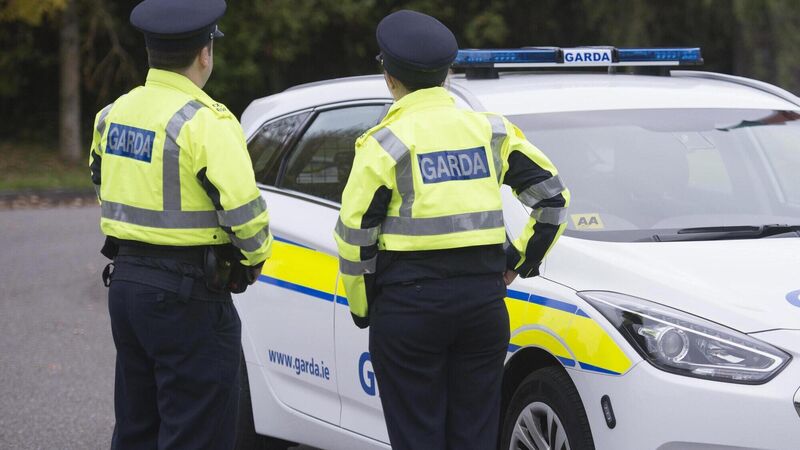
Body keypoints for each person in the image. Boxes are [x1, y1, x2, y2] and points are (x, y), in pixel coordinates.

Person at [334, 9, 570, 450]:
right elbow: (553, 200)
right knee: (475, 437)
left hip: (408, 311)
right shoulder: (491, 131)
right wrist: (520, 261)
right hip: (482, 307)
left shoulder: (384, 143)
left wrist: (364, 308)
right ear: (447, 75)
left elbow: (354, 235)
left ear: (389, 77)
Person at [87, 0, 272, 448]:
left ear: (150, 52)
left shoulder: (112, 114)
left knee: (136, 429)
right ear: (205, 53)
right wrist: (252, 261)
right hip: (188, 297)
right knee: (197, 433)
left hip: (127, 286)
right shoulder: (206, 122)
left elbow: (101, 181)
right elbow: (245, 215)